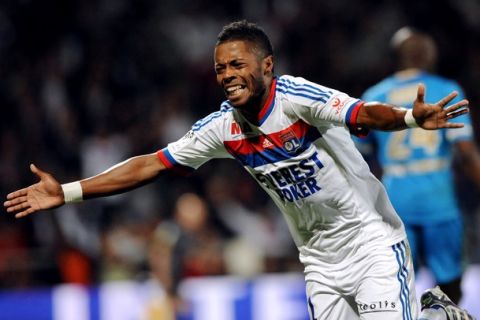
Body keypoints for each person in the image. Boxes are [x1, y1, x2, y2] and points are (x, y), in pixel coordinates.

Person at [3, 20, 474, 320]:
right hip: (320, 263)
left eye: (236, 64)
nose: (226, 74)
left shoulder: (297, 99)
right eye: (219, 68)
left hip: (372, 242)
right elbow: (151, 164)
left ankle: (434, 314)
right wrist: (66, 192)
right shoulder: (221, 129)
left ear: (267, 66)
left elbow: (362, 113)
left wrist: (410, 118)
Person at [354, 26, 480, 305]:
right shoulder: (446, 90)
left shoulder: (375, 95)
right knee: (450, 286)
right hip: (440, 201)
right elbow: (467, 153)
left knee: (397, 283)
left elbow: (356, 158)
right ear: (428, 54)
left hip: (395, 203)